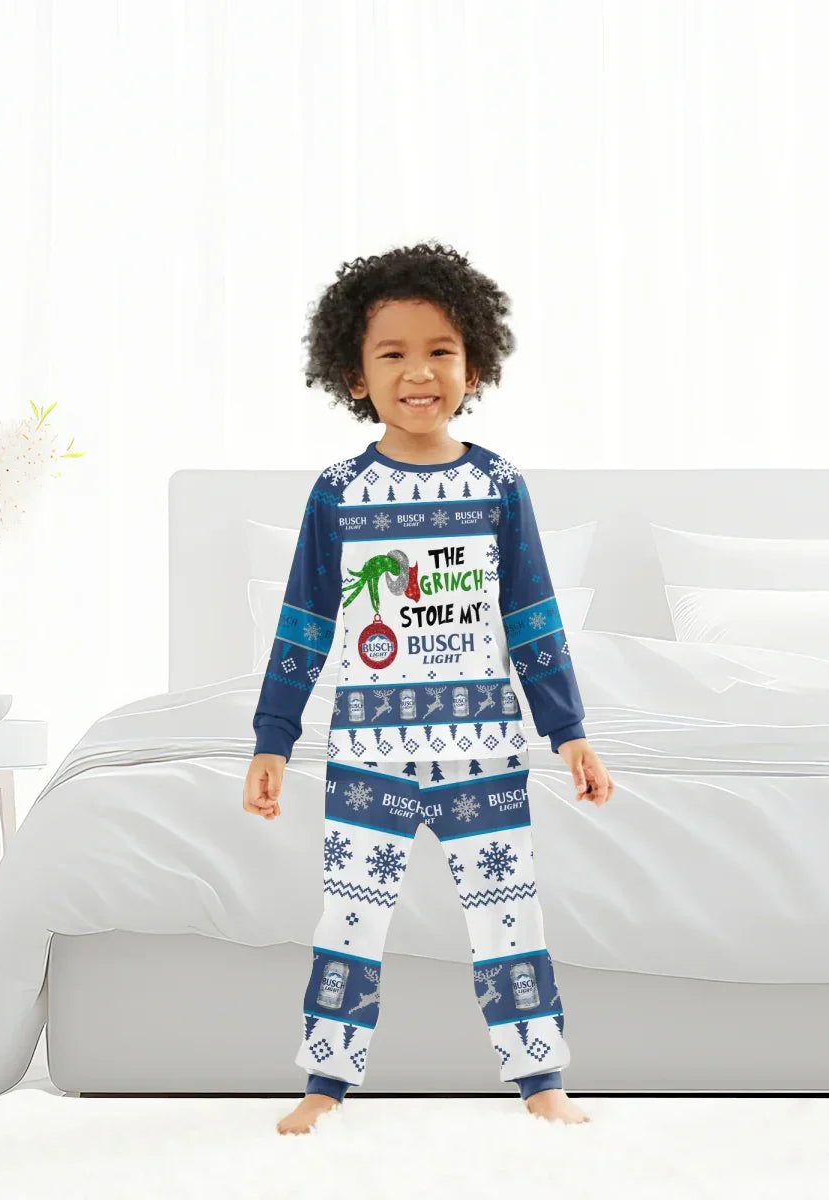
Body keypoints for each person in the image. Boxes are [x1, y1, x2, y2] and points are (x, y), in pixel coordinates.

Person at [243, 242, 613, 1135]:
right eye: (393, 354)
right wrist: (272, 737)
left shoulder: (496, 486)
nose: (420, 372)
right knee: (351, 917)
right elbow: (304, 625)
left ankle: (542, 1080)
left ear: (475, 364)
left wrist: (568, 731)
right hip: (368, 751)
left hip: (482, 749)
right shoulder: (339, 493)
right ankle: (325, 1083)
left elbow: (532, 618)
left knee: (507, 915)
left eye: (440, 350)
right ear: (354, 375)